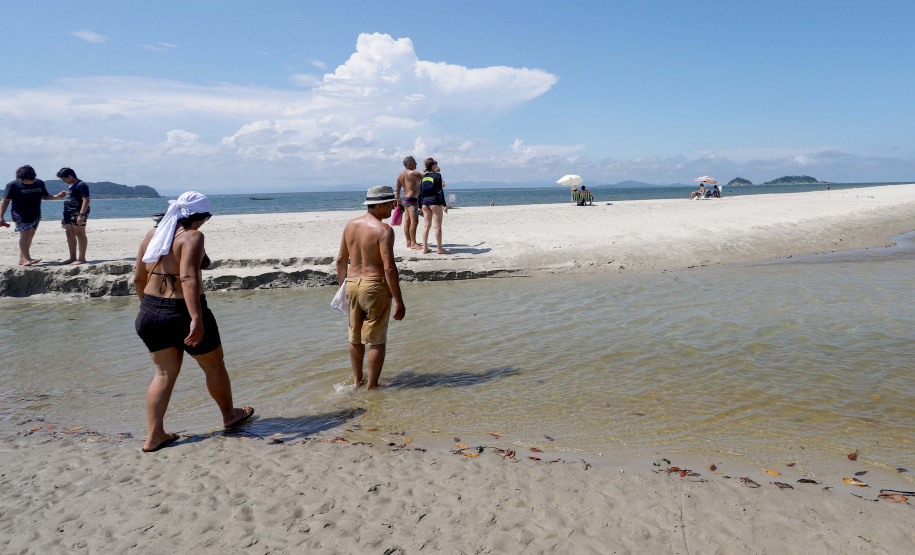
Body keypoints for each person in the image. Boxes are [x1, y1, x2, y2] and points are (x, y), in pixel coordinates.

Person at [133, 191, 253, 452]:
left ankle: (154, 436)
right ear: (199, 216)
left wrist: (149, 307)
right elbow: (188, 278)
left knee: (163, 374)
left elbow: (138, 279)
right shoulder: (193, 236)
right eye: (205, 218)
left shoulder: (152, 235)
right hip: (182, 312)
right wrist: (196, 319)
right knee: (214, 366)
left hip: (150, 312)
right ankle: (230, 415)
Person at [336, 185, 406, 390]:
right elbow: (389, 267)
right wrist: (399, 300)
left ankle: (358, 381)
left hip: (352, 284)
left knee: (355, 337)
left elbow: (341, 259)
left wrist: (343, 287)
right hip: (374, 286)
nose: (394, 208)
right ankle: (373, 386)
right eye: (391, 204)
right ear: (381, 205)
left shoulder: (351, 225)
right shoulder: (384, 230)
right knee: (376, 339)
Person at [0, 165, 66, 265]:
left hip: (35, 215)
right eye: (24, 180)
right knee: (25, 235)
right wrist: (1, 216)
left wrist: (57, 196)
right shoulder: (12, 185)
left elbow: (45, 196)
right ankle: (27, 259)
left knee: (30, 236)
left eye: (29, 180)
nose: (26, 182)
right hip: (20, 215)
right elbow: (5, 201)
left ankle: (22, 259)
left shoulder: (39, 183)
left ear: (33, 177)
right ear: (19, 178)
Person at [57, 168, 91, 264]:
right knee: (69, 234)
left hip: (77, 211)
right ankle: (72, 257)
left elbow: (86, 200)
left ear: (70, 176)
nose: (64, 181)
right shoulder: (71, 186)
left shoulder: (82, 185)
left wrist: (81, 214)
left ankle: (82, 258)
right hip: (68, 212)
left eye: (64, 179)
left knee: (80, 234)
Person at [419, 158, 450, 254]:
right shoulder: (437, 176)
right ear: (433, 166)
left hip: (425, 204)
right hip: (434, 203)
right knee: (437, 227)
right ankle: (439, 249)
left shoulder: (424, 177)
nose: (437, 165)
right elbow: (439, 191)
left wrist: (419, 205)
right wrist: (444, 204)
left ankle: (425, 248)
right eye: (436, 163)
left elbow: (420, 192)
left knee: (426, 226)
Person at [395, 156, 423, 250]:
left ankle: (408, 242)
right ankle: (413, 243)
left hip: (404, 200)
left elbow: (397, 190)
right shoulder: (414, 173)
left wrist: (398, 201)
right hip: (412, 200)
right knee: (414, 221)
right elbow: (427, 177)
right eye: (415, 162)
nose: (416, 164)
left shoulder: (400, 175)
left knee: (407, 222)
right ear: (409, 164)